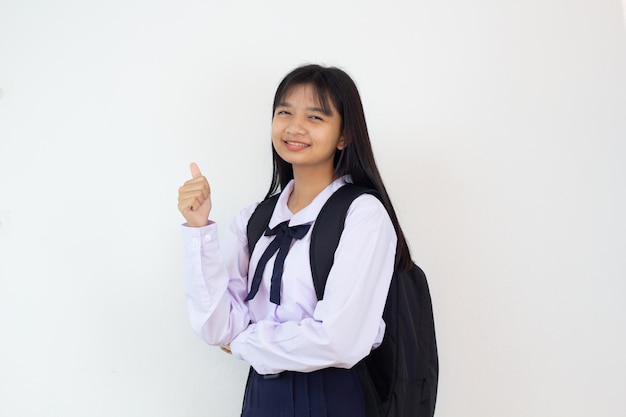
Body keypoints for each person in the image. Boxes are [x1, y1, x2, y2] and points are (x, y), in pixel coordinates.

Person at [178, 64, 412, 417]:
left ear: (344, 135)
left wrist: (245, 342)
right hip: (260, 396)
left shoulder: (363, 214)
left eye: (315, 117)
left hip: (331, 396)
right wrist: (198, 228)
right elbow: (217, 326)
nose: (294, 127)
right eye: (284, 112)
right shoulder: (255, 218)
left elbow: (339, 341)